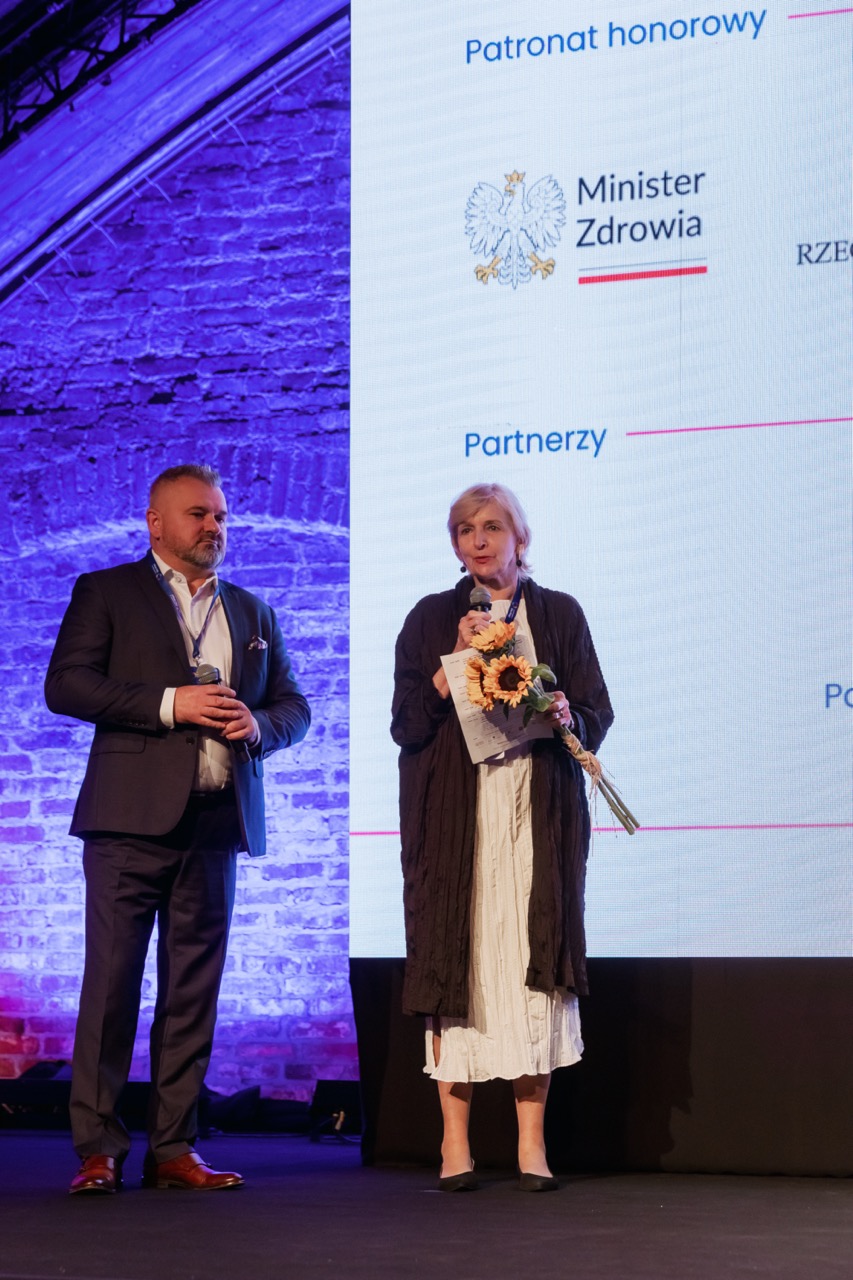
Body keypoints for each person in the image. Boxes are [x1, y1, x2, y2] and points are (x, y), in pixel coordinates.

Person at [45, 464, 311, 1195]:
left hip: (216, 824)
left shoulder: (251, 611)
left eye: (220, 515)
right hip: (127, 823)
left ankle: (173, 1148)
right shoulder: (107, 592)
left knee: (192, 993)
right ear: (156, 523)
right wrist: (172, 704)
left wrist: (259, 724)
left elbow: (294, 706)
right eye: (198, 514)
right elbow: (66, 684)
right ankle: (98, 1149)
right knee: (111, 987)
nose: (213, 526)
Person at [391, 482, 613, 1192]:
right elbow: (406, 725)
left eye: (492, 527)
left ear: (521, 538)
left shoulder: (558, 613)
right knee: (459, 960)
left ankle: (530, 1145)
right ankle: (454, 1144)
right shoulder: (431, 617)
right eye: (465, 530)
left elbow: (597, 712)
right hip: (457, 816)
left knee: (530, 959)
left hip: (535, 810)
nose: (479, 540)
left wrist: (569, 714)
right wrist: (451, 662)